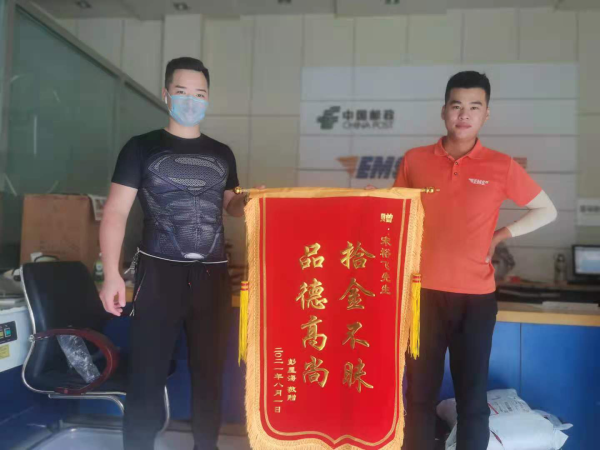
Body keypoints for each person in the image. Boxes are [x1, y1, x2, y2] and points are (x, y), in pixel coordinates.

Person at [394, 71, 557, 450]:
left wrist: (501, 235)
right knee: (418, 396)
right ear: (443, 111)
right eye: (456, 106)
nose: (464, 115)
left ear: (486, 114)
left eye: (474, 107)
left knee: (472, 399)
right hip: (421, 296)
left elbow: (546, 210)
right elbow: (396, 215)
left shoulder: (501, 166)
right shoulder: (415, 160)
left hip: (476, 299)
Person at [99, 57, 249, 450]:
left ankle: (206, 446)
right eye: (182, 92)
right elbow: (115, 212)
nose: (191, 100)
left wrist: (252, 199)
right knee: (146, 374)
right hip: (158, 275)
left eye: (199, 94)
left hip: (212, 277)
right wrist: (112, 274)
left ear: (208, 99)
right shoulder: (141, 147)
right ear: (166, 95)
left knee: (210, 375)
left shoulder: (222, 153)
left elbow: (232, 206)